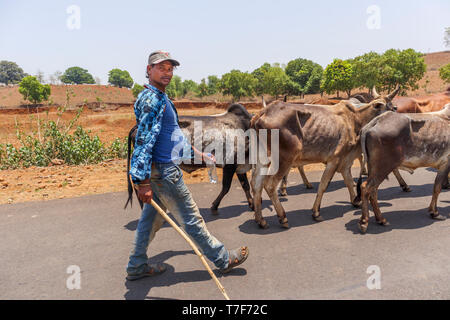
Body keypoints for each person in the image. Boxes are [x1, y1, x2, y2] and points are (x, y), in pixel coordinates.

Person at [126, 50, 249, 280]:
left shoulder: (159, 97)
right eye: (160, 67)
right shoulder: (153, 101)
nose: (167, 72)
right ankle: (223, 259)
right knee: (192, 219)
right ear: (148, 70)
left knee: (149, 220)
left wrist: (198, 154)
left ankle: (136, 265)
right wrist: (142, 182)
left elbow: (173, 136)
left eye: (170, 68)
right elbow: (143, 142)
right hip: (164, 172)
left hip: (160, 170)